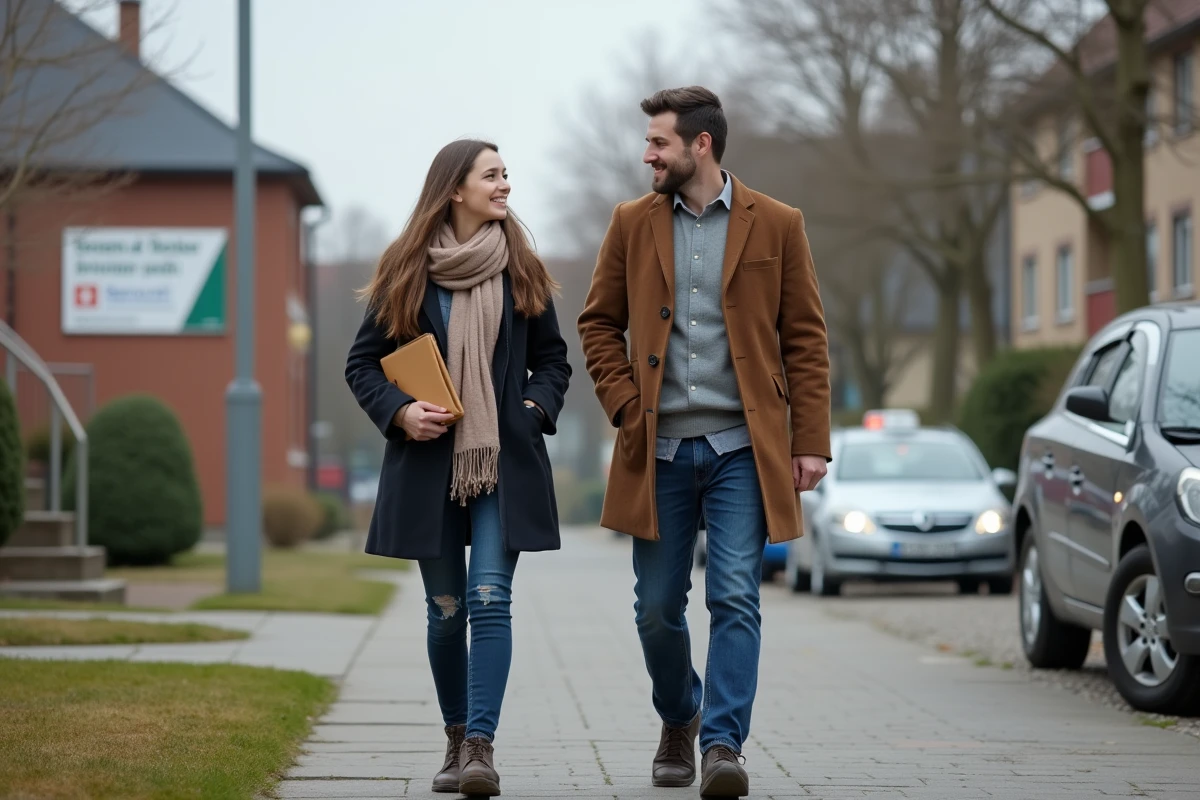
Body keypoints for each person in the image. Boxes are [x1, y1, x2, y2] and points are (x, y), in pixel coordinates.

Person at [577, 86, 831, 798]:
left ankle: (723, 745)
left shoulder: (777, 223)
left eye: (658, 142)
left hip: (742, 451)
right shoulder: (631, 222)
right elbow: (598, 323)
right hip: (655, 451)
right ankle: (680, 715)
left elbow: (806, 339)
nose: (647, 154)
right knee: (656, 609)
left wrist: (809, 440)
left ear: (702, 145)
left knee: (735, 599)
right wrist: (626, 404)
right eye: (648, 142)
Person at [346, 139, 570, 797]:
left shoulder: (522, 266)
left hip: (504, 462)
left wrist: (529, 409)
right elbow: (362, 363)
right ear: (455, 189)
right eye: (492, 175)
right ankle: (453, 734)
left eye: (506, 175)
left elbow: (555, 361)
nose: (505, 185)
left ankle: (479, 747)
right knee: (446, 610)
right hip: (427, 467)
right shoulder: (406, 270)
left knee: (488, 598)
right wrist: (400, 411)